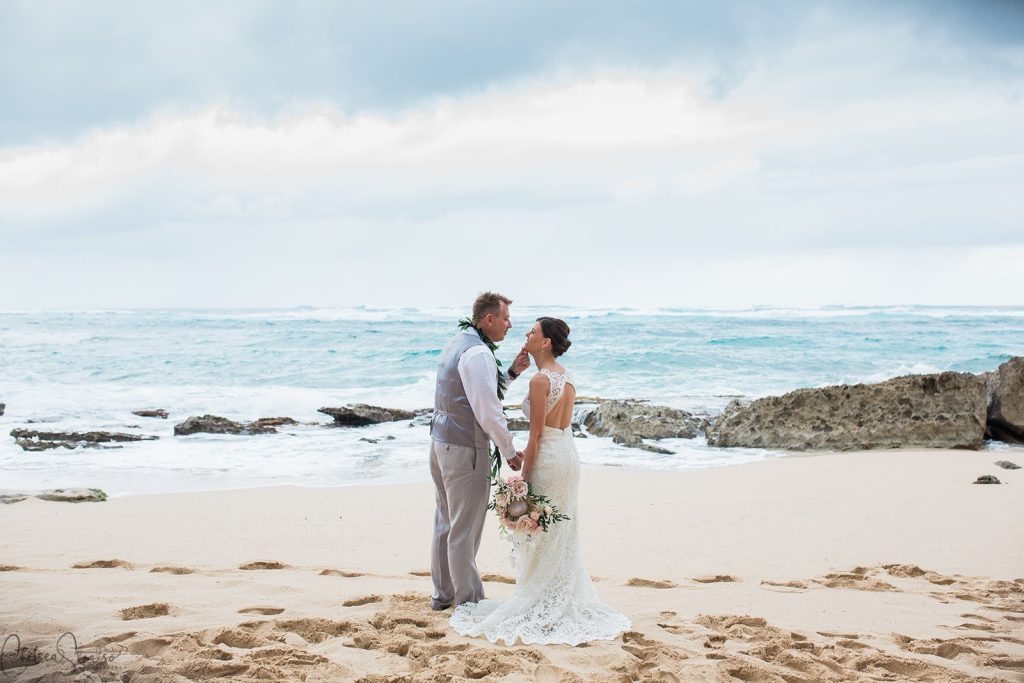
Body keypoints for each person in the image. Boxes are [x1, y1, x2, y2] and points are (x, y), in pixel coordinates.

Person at [449, 317, 631, 645]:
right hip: (568, 456)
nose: (527, 335)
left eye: (533, 332)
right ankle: (560, 594)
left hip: (548, 458)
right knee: (560, 530)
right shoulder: (567, 377)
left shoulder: (539, 382)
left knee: (540, 531)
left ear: (546, 342)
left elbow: (534, 438)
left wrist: (523, 480)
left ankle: (542, 599)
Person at [429, 292, 531, 611]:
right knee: (465, 528)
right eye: (505, 318)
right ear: (489, 319)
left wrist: (512, 372)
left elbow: (475, 391)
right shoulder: (478, 354)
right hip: (463, 449)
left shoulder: (458, 343)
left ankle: (443, 595)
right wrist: (510, 449)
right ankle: (469, 602)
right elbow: (488, 411)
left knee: (446, 522)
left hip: (440, 444)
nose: (510, 324)